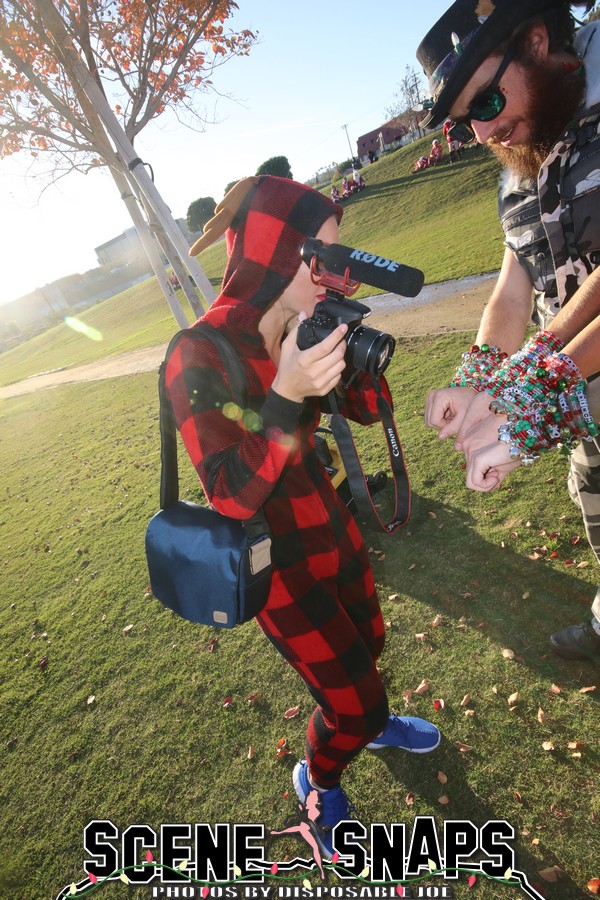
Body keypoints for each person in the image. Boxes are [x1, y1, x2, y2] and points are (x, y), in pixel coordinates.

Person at [165, 176, 441, 858]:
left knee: (368, 652)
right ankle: (317, 783)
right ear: (277, 254)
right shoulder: (197, 353)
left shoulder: (302, 323)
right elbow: (231, 493)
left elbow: (369, 413)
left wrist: (354, 356)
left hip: (336, 531)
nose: (335, 272)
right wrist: (287, 390)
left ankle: (367, 727)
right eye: (322, 255)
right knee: (354, 702)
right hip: (276, 566)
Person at [416, 0, 600, 664]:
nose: (486, 128)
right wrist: (478, 379)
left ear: (538, 41)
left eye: (488, 98)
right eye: (468, 119)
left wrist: (541, 382)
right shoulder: (518, 162)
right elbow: (512, 290)